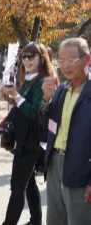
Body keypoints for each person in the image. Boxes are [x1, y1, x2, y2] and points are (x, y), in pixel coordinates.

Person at [0, 42, 55, 225]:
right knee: (29, 183)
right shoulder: (30, 79)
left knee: (17, 187)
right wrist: (10, 96)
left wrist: (16, 96)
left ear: (42, 58)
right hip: (23, 139)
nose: (27, 60)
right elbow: (22, 107)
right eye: (24, 56)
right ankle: (36, 221)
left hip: (32, 142)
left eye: (32, 56)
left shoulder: (44, 81)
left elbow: (34, 113)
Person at [39, 38, 91, 225]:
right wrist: (46, 99)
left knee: (78, 220)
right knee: (55, 219)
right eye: (61, 60)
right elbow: (46, 127)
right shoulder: (61, 90)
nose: (65, 65)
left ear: (87, 60)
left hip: (81, 167)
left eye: (71, 59)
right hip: (54, 163)